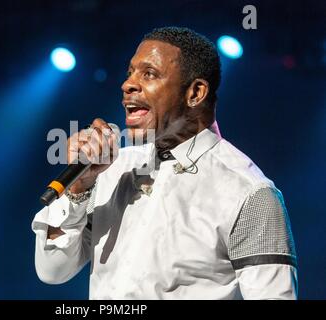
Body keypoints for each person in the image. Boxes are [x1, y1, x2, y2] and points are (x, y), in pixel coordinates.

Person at [31, 26, 298, 299]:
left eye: (149, 74)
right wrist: (79, 188)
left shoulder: (248, 192)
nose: (127, 85)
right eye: (130, 73)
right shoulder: (114, 169)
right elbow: (52, 270)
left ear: (195, 93)